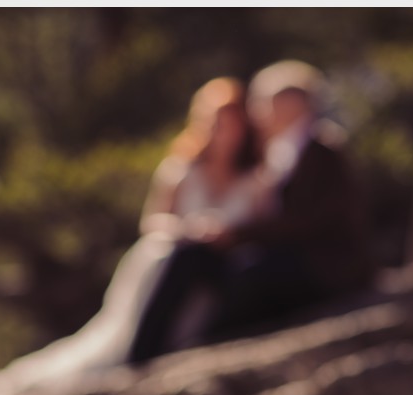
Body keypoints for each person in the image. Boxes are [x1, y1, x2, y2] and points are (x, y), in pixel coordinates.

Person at [0, 77, 267, 395]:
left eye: (233, 126)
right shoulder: (181, 169)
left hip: (209, 275)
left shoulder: (254, 178)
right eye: (218, 125)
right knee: (108, 345)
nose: (226, 134)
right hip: (164, 260)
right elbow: (153, 221)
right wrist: (192, 230)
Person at [128, 60, 372, 363]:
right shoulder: (280, 151)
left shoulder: (324, 148)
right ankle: (146, 354)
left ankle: (207, 348)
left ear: (289, 103)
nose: (256, 111)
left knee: (251, 273)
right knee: (193, 258)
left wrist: (237, 234)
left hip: (321, 266)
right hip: (283, 257)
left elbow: (315, 220)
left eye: (262, 101)